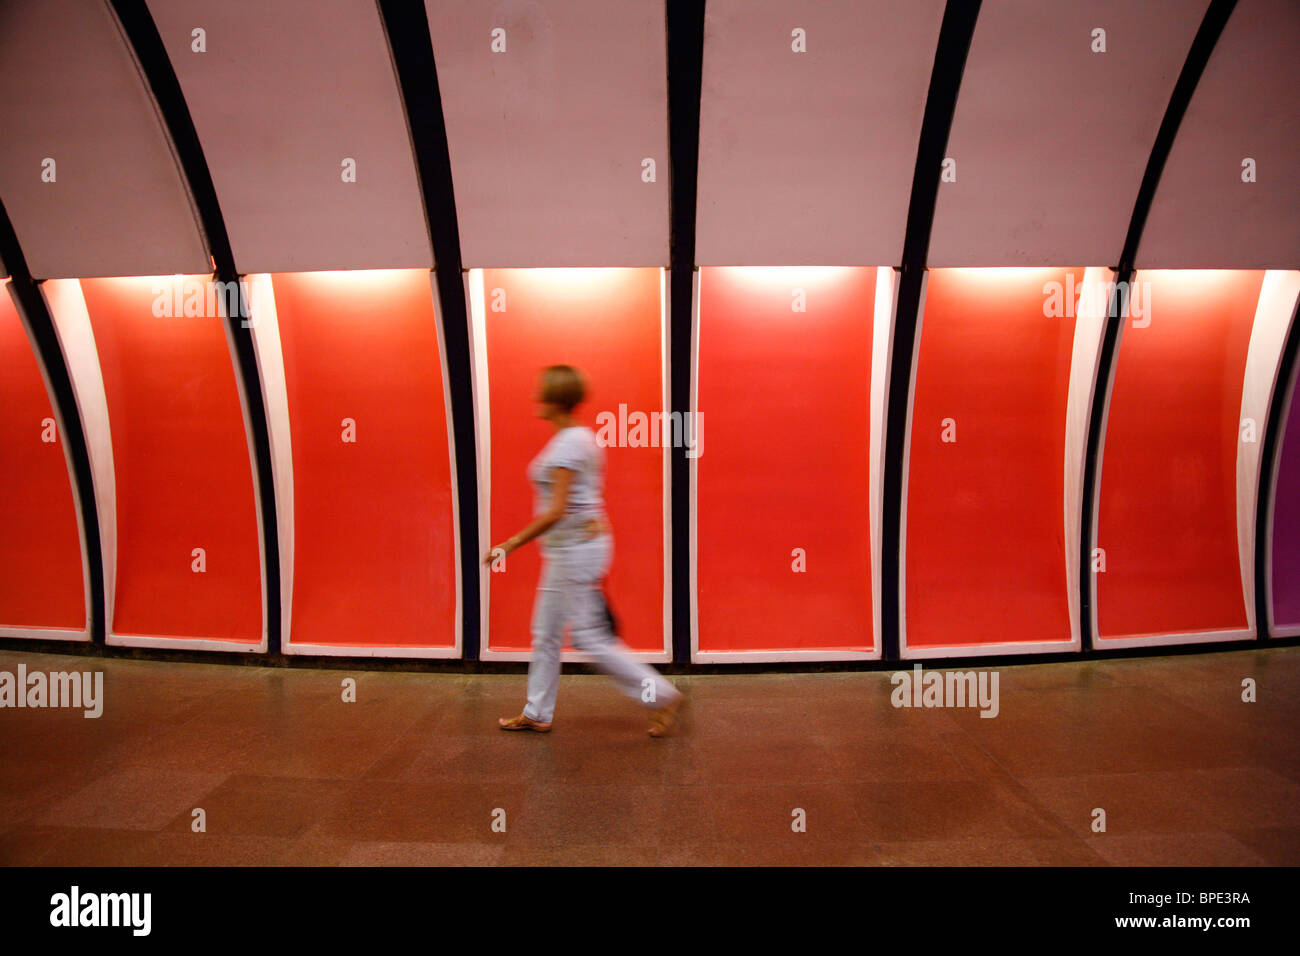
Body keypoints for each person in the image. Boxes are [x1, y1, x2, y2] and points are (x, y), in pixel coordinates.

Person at [484, 364, 686, 737]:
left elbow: (558, 510)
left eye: (541, 391)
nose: (535, 397)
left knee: (589, 637)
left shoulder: (569, 444)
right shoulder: (577, 438)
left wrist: (509, 544)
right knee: (545, 632)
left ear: (555, 399)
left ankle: (661, 695)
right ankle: (537, 712)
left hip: (576, 550)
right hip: (570, 549)